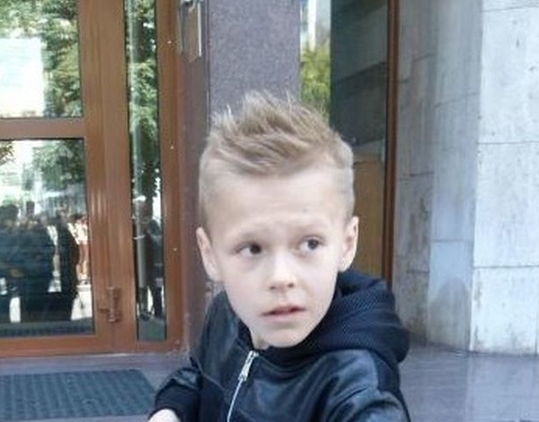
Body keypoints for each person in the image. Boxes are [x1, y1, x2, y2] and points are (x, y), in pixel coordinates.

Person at [148, 92, 410, 421]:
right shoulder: (226, 314)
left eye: (310, 244)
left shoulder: (357, 394)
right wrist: (170, 410)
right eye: (253, 248)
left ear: (346, 243)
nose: (280, 277)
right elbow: (199, 376)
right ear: (210, 255)